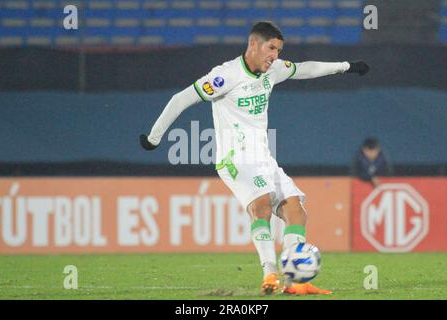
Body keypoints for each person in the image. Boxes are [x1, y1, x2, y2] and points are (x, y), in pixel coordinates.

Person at [140, 21, 369, 295]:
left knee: (296, 211)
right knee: (261, 206)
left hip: (263, 157)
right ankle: (270, 274)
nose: (275, 55)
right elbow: (181, 99)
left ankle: (294, 282)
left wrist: (346, 66)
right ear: (253, 44)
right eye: (271, 48)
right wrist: (154, 138)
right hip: (234, 159)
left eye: (278, 50)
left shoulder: (272, 70)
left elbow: (305, 68)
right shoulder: (225, 76)